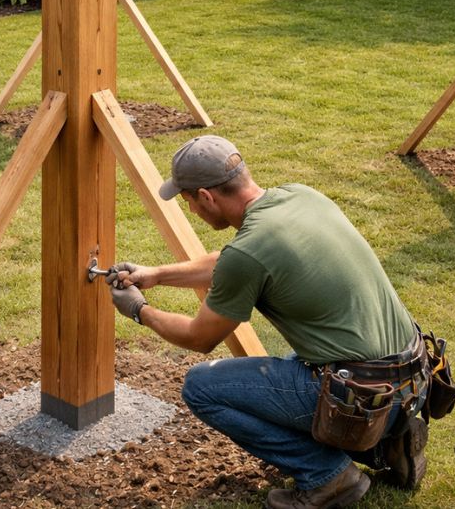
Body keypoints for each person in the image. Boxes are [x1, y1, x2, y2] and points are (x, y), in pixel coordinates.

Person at [106, 136, 430, 509]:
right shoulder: (300, 196)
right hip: (411, 380)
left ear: (207, 197)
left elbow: (199, 337)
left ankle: (327, 476)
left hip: (361, 396)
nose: (191, 209)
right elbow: (231, 261)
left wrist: (139, 310)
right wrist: (156, 274)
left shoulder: (248, 254)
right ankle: (386, 447)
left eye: (189, 200)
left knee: (202, 387)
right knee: (292, 365)